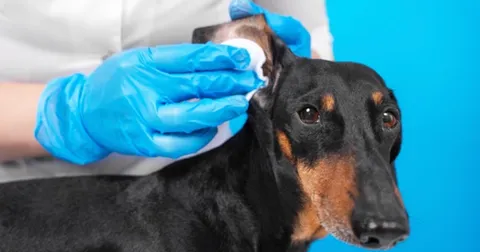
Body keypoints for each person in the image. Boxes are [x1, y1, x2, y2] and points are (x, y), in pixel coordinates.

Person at [0, 0, 334, 183]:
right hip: (18, 198)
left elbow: (308, 41)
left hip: (193, 194)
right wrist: (69, 113)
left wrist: (299, 73)